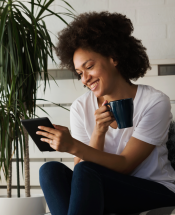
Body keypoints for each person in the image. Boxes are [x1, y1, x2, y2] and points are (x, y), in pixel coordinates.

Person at [37, 11, 175, 215]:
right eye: (79, 73)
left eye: (89, 67)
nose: (85, 79)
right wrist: (98, 132)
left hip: (153, 189)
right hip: (106, 188)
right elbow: (80, 175)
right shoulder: (80, 107)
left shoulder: (155, 102)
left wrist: (73, 145)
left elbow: (126, 165)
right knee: (50, 171)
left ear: (114, 58)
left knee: (86, 170)